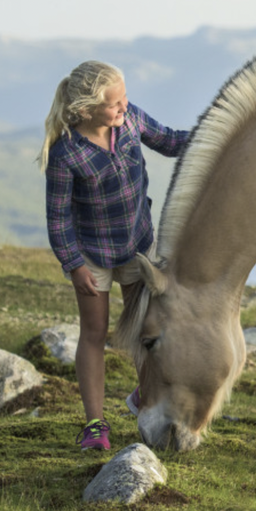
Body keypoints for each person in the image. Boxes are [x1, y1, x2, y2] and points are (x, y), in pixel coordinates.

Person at [40, 60, 190, 451]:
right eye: (114, 103)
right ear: (85, 110)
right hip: (91, 256)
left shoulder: (130, 122)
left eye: (124, 98)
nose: (124, 107)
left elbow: (171, 142)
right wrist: (73, 265)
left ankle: (145, 399)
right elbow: (58, 220)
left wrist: (217, 136)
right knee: (94, 334)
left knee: (147, 331)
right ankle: (95, 426)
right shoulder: (66, 154)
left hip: (138, 247)